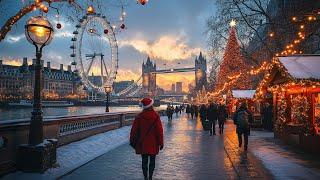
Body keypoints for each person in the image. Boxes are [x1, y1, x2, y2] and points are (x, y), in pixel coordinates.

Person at [130, 98, 164, 180]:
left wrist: (132, 141)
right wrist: (161, 142)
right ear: (151, 105)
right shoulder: (156, 116)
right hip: (154, 143)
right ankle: (150, 177)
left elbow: (133, 130)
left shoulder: (139, 117)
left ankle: (145, 177)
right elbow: (159, 131)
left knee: (144, 161)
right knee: (152, 161)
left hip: (143, 143)